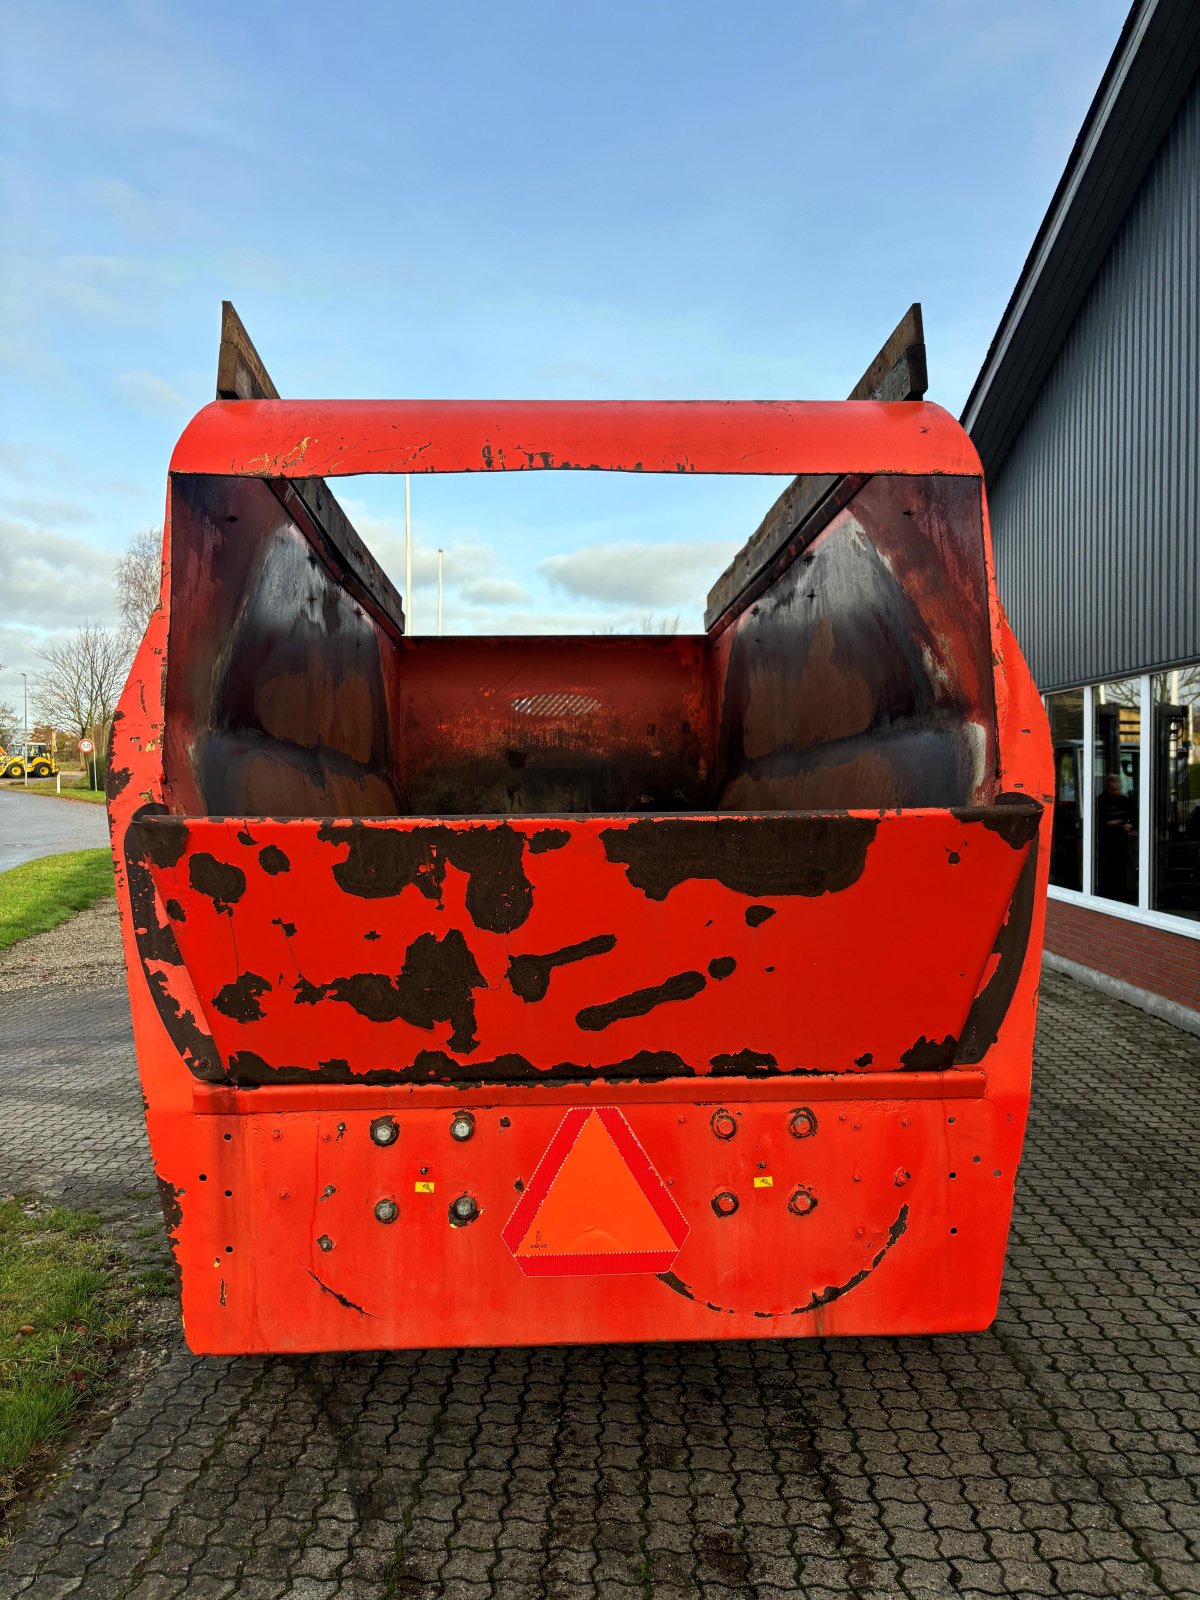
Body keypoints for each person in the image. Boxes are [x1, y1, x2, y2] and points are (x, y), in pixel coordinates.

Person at [1096, 773, 1136, 901]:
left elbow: (1136, 817)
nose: (1115, 792)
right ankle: (1106, 894)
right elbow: (1096, 821)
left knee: (1121, 868)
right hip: (1106, 840)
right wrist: (1108, 824)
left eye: (1118, 789)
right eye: (1112, 790)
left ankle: (1122, 894)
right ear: (1107, 788)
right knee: (1106, 869)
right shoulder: (1100, 801)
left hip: (1122, 840)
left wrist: (1130, 825)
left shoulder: (1126, 801)